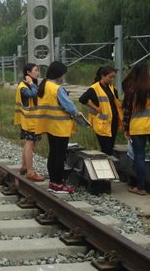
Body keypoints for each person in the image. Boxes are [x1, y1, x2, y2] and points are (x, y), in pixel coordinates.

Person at [35, 61, 83, 194]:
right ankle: (58, 184)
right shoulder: (57, 88)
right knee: (60, 156)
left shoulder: (44, 86)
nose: (63, 77)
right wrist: (76, 112)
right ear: (58, 74)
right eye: (62, 74)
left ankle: (53, 183)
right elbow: (68, 106)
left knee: (53, 154)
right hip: (60, 127)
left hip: (49, 125)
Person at [122, 62, 150, 195]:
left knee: (139, 157)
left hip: (138, 127)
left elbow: (126, 111)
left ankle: (141, 187)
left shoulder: (132, 89)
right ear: (147, 72)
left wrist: (126, 129)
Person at [78, 66, 122, 155]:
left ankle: (110, 166)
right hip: (102, 124)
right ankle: (106, 167)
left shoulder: (111, 87)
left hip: (112, 122)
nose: (112, 79)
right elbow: (82, 99)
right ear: (103, 76)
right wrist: (95, 107)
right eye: (110, 77)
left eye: (113, 77)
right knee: (106, 150)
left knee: (110, 149)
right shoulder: (94, 88)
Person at [13, 63, 44, 182]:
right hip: (30, 120)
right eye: (36, 70)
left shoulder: (25, 85)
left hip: (28, 119)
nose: (38, 72)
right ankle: (30, 172)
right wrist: (31, 83)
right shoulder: (24, 87)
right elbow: (33, 94)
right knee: (31, 144)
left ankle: (25, 166)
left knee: (28, 143)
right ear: (28, 73)